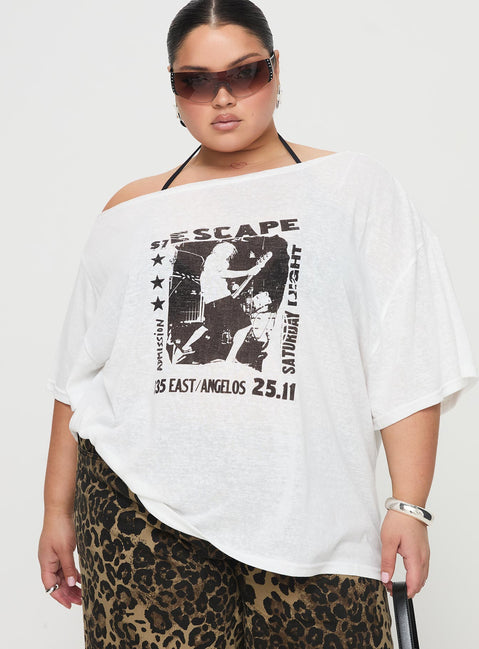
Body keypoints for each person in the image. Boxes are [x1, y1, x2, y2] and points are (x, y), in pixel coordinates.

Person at [38, 1, 479, 647]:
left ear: (275, 69)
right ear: (173, 89)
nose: (222, 97)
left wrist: (407, 504)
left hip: (312, 518)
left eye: (244, 73)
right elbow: (78, 372)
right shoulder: (131, 209)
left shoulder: (352, 188)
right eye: (195, 81)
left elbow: (408, 353)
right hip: (139, 509)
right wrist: (56, 510)